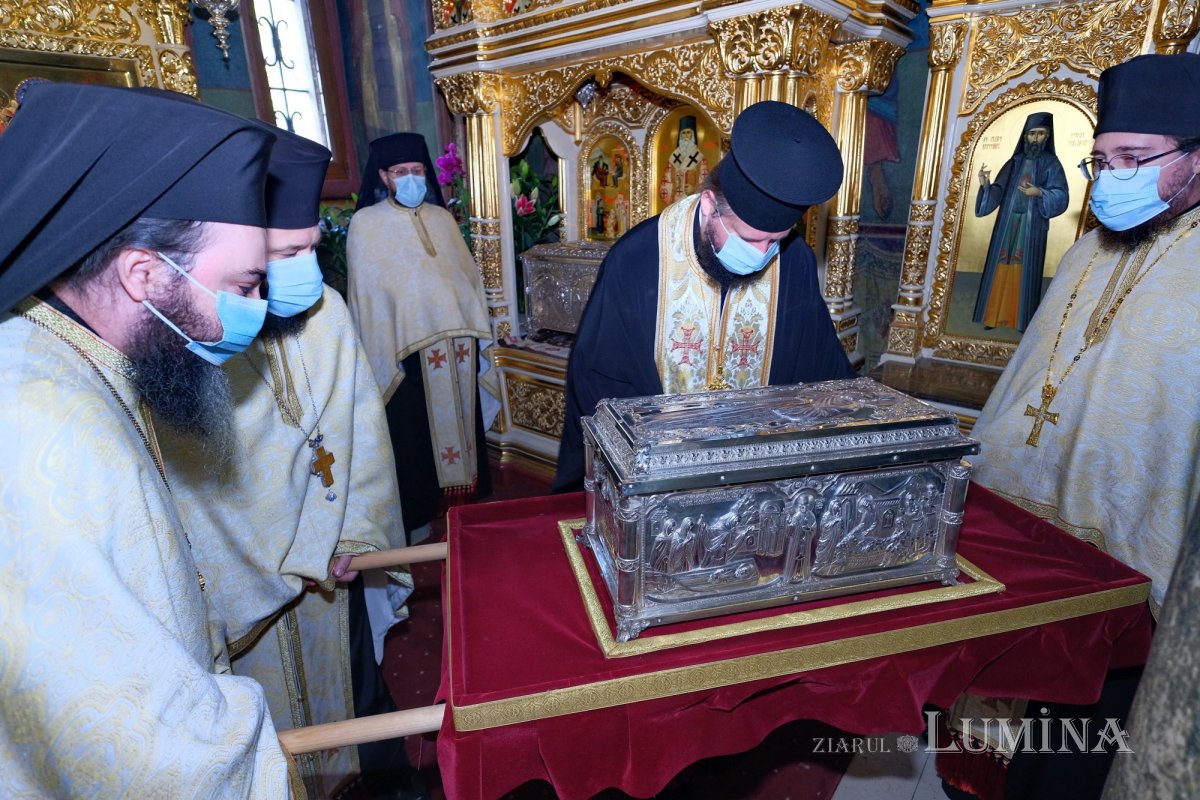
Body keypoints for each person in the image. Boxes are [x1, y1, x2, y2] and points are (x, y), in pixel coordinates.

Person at [0, 83, 293, 795]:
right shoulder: (40, 420)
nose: (256, 310)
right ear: (142, 273)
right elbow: (128, 745)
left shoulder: (76, 359)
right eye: (245, 284)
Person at [946, 52, 1200, 800]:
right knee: (1002, 708)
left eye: (1134, 158)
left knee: (1080, 752)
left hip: (1130, 561)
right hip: (1028, 536)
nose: (1111, 176)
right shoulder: (1089, 245)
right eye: (1100, 160)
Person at [157, 124, 416, 799]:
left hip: (335, 565)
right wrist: (285, 564)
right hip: (248, 585)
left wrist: (355, 533)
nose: (302, 268)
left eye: (310, 248)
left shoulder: (324, 308)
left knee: (362, 707)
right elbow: (200, 488)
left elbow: (360, 430)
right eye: (282, 253)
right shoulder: (197, 329)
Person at [555, 101, 856, 491]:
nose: (763, 253)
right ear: (710, 204)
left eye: (775, 240)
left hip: (761, 483)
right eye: (749, 238)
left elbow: (820, 376)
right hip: (659, 483)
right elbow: (600, 388)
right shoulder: (637, 260)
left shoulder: (794, 261)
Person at [347, 133, 493, 541]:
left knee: (462, 433)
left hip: (457, 345)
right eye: (400, 172)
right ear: (383, 176)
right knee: (414, 439)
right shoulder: (366, 224)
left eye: (417, 171)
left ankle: (464, 512)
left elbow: (466, 277)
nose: (411, 179)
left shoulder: (442, 218)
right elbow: (369, 294)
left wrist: (471, 315)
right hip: (405, 352)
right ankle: (416, 519)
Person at [972, 111, 1070, 331]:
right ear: (1025, 136)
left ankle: (1020, 320)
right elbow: (999, 189)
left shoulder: (1051, 163)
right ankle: (992, 316)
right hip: (1007, 224)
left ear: (1047, 137)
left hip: (1032, 225)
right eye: (1032, 134)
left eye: (1041, 134)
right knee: (1001, 262)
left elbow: (1061, 194)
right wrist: (986, 184)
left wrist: (1040, 193)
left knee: (1024, 267)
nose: (1036, 139)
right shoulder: (1015, 162)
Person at [658, 114, 710, 205]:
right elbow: (664, 185)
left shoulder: (699, 158)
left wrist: (695, 190)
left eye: (688, 132)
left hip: (692, 203)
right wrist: (674, 186)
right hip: (676, 203)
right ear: (680, 136)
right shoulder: (673, 158)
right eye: (683, 133)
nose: (686, 136)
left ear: (693, 135)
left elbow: (706, 183)